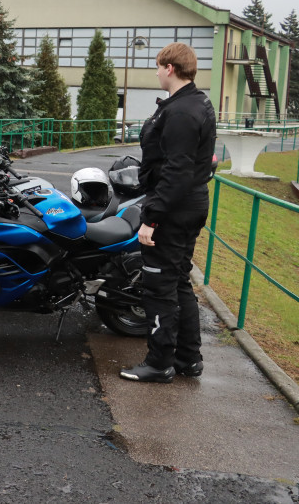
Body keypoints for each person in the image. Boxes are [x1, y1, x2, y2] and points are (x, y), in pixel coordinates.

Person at [120, 42, 216, 384]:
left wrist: (151, 218)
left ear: (170, 69)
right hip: (188, 205)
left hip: (173, 210)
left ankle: (160, 362)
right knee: (178, 282)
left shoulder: (181, 112)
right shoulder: (194, 102)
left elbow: (177, 170)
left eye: (158, 67)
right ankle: (188, 359)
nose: (157, 72)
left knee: (159, 286)